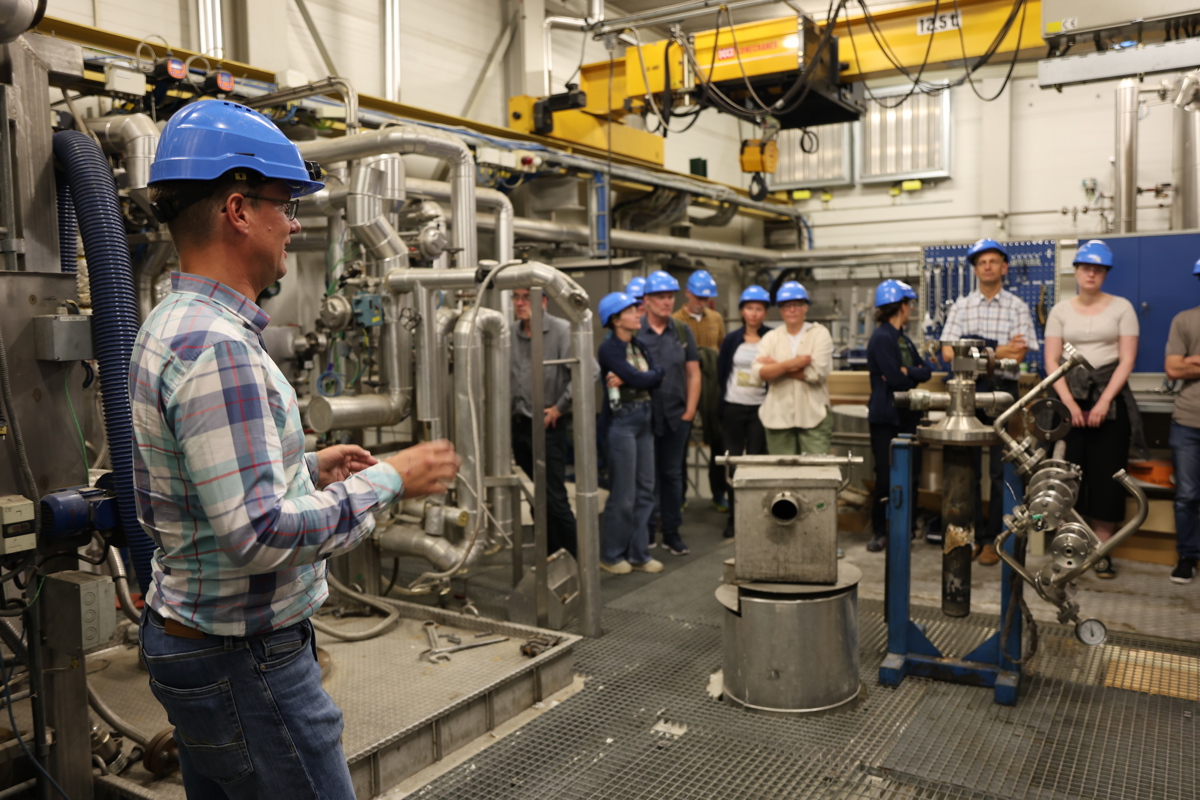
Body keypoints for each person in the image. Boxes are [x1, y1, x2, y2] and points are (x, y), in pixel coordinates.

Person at [130, 100, 460, 799]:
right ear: (240, 209)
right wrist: (391, 480)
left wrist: (308, 467)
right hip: (244, 661)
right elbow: (262, 534)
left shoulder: (173, 321)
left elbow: (202, 486)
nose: (298, 223)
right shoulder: (217, 348)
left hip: (200, 642)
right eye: (286, 204)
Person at [1045, 239, 1146, 580]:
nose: (1092, 273)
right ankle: (1068, 553)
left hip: (1110, 399)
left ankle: (1101, 555)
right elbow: (1051, 361)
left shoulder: (1122, 308)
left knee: (1107, 478)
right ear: (1075, 270)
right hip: (1067, 396)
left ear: (1105, 274)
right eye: (1086, 267)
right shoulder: (1060, 311)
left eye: (1099, 269)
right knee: (1066, 479)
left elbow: (1127, 359)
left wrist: (1104, 401)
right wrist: (1070, 404)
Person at [940, 238, 1039, 566]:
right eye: (981, 262)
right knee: (965, 470)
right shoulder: (961, 307)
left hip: (1002, 393)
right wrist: (999, 350)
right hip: (966, 393)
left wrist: (976, 351)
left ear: (1004, 267)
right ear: (975, 269)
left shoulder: (1017, 307)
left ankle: (993, 541)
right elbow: (947, 353)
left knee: (1001, 471)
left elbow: (1020, 353)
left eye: (993, 261)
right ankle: (966, 538)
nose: (987, 266)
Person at [596, 291, 665, 574]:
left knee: (646, 491)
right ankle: (611, 555)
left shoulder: (639, 345)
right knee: (623, 495)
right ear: (615, 319)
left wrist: (638, 377)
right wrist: (641, 377)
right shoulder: (609, 349)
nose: (639, 314)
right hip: (622, 423)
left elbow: (657, 375)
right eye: (632, 311)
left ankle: (638, 554)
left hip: (645, 420)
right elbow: (644, 376)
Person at [510, 287, 580, 558]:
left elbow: (588, 371)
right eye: (516, 297)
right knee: (537, 497)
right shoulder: (512, 334)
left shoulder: (561, 330)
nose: (519, 302)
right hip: (519, 428)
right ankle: (551, 556)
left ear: (544, 301)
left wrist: (559, 408)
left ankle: (579, 559)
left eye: (526, 297)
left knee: (554, 498)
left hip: (548, 427)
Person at [866, 280, 931, 552]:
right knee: (885, 477)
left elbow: (925, 371)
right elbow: (894, 378)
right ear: (903, 306)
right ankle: (881, 531)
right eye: (909, 305)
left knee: (910, 475)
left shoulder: (902, 338)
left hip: (908, 416)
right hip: (886, 418)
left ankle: (907, 528)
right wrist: (907, 373)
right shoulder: (881, 338)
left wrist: (908, 372)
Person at [639, 270, 701, 556]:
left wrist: (690, 411)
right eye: (660, 297)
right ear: (647, 300)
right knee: (647, 477)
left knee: (673, 475)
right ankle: (648, 529)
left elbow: (693, 373)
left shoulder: (681, 330)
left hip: (677, 416)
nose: (666, 302)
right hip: (644, 417)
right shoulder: (636, 330)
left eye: (669, 297)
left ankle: (672, 532)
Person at [716, 285, 773, 538]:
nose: (754, 313)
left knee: (757, 463)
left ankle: (756, 515)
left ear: (765, 312)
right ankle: (733, 518)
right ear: (742, 311)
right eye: (749, 308)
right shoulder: (731, 339)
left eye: (759, 309)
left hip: (760, 409)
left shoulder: (771, 338)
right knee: (733, 462)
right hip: (733, 408)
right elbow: (721, 373)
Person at [752, 281, 833, 455]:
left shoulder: (820, 334)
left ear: (806, 307)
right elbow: (758, 373)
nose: (792, 310)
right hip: (777, 417)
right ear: (780, 310)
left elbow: (816, 373)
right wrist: (793, 364)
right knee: (783, 476)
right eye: (786, 306)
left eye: (796, 304)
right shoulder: (770, 337)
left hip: (814, 415)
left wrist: (776, 367)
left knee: (817, 475)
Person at [672, 269, 729, 512]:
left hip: (713, 384)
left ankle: (718, 493)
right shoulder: (675, 320)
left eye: (705, 299)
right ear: (688, 294)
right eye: (697, 298)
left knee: (718, 438)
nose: (701, 303)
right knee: (681, 440)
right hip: (685, 384)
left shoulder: (716, 319)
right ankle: (680, 496)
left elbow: (722, 348)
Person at [1165, 258, 1200, 584]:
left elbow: (1184, 365)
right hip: (1188, 421)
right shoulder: (1185, 320)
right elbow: (1174, 369)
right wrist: (1185, 363)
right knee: (1187, 495)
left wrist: (1194, 361)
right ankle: (1187, 556)